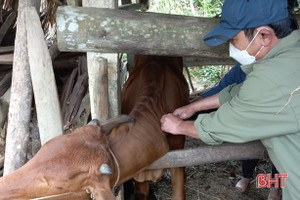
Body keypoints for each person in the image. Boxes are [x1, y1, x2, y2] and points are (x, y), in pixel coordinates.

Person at [160, 0, 300, 199]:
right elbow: (240, 91)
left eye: (233, 40)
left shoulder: (269, 78)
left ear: (264, 35)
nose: (231, 48)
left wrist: (178, 127)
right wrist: (194, 107)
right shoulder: (288, 59)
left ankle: (268, 184)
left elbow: (222, 124)